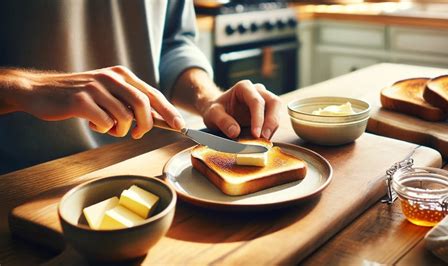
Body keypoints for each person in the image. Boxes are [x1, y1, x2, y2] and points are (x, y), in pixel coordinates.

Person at [0, 1, 281, 173]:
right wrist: (28, 86)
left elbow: (172, 41)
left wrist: (208, 98)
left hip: (147, 162)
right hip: (27, 179)